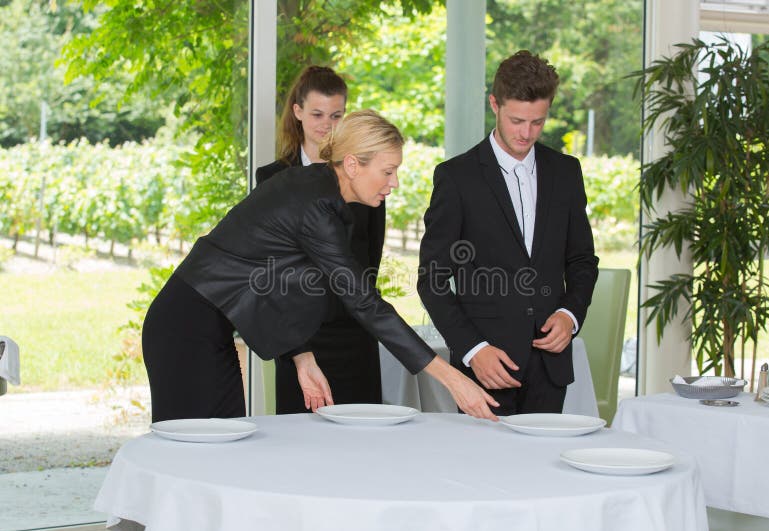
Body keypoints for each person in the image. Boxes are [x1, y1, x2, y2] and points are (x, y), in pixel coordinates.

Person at [142, 110, 498, 423]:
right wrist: (453, 379)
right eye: (388, 171)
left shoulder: (316, 192)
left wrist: (302, 356)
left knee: (220, 444)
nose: (395, 183)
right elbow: (364, 303)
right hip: (185, 330)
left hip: (204, 328)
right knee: (195, 449)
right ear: (354, 165)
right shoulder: (317, 208)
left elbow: (269, 281)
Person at [417, 51, 599, 416]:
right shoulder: (456, 178)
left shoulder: (566, 172)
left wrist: (570, 314)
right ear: (494, 104)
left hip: (550, 368)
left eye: (537, 122)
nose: (526, 133)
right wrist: (472, 349)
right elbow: (433, 279)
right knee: (483, 473)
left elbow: (582, 260)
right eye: (517, 120)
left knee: (543, 471)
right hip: (484, 370)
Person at [255, 66, 386, 414]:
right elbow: (271, 268)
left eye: (336, 115)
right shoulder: (271, 178)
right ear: (297, 112)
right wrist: (296, 346)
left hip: (355, 336)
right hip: (299, 340)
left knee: (363, 444)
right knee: (299, 450)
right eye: (317, 114)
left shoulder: (364, 175)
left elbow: (370, 260)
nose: (326, 124)